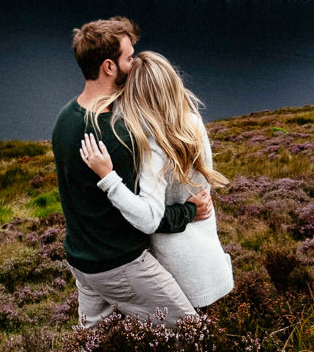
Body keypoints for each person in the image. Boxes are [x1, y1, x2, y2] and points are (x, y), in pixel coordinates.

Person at [51, 17, 213, 329]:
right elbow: (144, 216)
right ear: (109, 67)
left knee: (93, 343)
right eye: (129, 58)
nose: (134, 63)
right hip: (120, 265)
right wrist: (190, 211)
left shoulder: (66, 118)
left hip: (81, 262)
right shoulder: (119, 136)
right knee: (191, 332)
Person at [79, 51, 233, 308]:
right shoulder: (192, 122)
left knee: (183, 332)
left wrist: (107, 177)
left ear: (136, 96)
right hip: (206, 262)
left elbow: (148, 218)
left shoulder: (153, 147)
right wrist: (189, 210)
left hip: (177, 273)